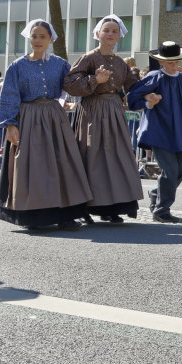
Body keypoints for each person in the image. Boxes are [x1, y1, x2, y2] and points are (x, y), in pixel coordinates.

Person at [0, 20, 92, 230]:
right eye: (34, 36)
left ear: (50, 39)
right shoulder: (17, 66)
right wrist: (11, 124)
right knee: (31, 166)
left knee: (63, 164)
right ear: (29, 38)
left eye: (42, 36)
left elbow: (73, 84)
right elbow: (10, 95)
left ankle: (66, 214)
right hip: (28, 117)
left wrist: (95, 81)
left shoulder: (59, 64)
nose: (38, 40)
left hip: (54, 117)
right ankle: (34, 215)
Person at [63, 15, 143, 224]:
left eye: (114, 31)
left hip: (115, 112)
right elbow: (70, 83)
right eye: (106, 30)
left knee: (116, 158)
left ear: (119, 36)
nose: (110, 34)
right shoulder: (89, 57)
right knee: (93, 156)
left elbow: (132, 87)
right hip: (93, 110)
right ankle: (85, 207)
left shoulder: (120, 63)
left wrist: (148, 94)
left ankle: (111, 206)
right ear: (98, 33)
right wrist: (94, 80)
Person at [126, 42, 182, 223]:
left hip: (179, 130)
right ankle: (161, 210)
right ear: (161, 62)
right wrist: (148, 101)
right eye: (169, 62)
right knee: (170, 170)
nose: (174, 65)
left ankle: (156, 193)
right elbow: (132, 96)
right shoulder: (154, 77)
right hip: (159, 130)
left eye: (176, 61)